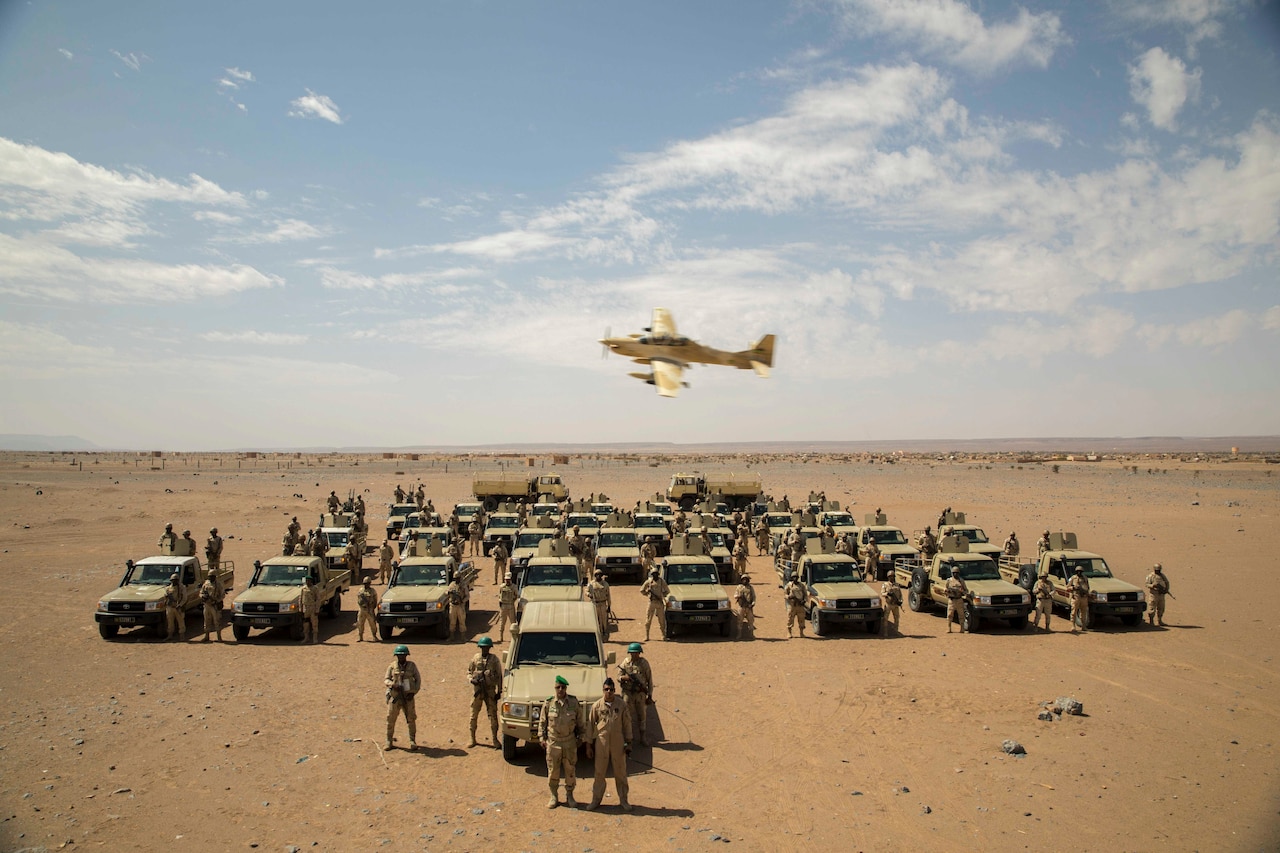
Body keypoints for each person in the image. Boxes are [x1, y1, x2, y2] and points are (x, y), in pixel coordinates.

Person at [585, 677, 632, 812]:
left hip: (618, 742)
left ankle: (624, 800)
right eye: (606, 689)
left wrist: (629, 742)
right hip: (602, 742)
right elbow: (590, 725)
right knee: (599, 772)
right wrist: (588, 745)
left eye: (611, 690)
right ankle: (596, 800)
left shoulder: (621, 705)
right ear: (603, 690)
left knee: (620, 772)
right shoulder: (597, 706)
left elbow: (627, 724)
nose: (609, 692)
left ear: (614, 690)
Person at [539, 675, 582, 809]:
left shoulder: (574, 703)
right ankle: (554, 796)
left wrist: (581, 737)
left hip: (569, 742)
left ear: (566, 688)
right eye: (558, 687)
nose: (561, 690)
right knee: (553, 770)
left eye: (563, 687)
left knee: (570, 770)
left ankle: (570, 795)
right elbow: (542, 722)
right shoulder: (549, 703)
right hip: (554, 742)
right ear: (555, 688)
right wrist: (542, 737)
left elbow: (580, 722)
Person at [467, 636, 503, 748]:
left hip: (490, 691)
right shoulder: (475, 658)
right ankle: (472, 738)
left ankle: (494, 739)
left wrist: (499, 691)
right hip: (477, 691)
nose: (485, 649)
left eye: (486, 647)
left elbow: (499, 676)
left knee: (493, 715)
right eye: (483, 647)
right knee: (473, 714)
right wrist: (471, 680)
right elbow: (469, 672)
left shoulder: (494, 659)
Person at [384, 645, 421, 751]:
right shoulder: (392, 666)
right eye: (399, 655)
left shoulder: (412, 666)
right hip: (395, 697)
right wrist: (392, 685)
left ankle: (412, 740)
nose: (401, 657)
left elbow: (418, 680)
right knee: (390, 719)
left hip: (408, 697)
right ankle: (388, 741)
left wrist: (413, 692)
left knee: (411, 719)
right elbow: (386, 679)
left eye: (403, 655)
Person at [618, 643, 654, 744]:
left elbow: (650, 681)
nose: (634, 655)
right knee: (626, 715)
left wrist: (649, 695)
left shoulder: (644, 664)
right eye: (632, 653)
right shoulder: (625, 663)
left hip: (640, 694)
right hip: (628, 693)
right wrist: (623, 678)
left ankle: (643, 737)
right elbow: (618, 676)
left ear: (639, 653)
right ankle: (628, 738)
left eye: (636, 653)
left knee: (642, 715)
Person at [639, 568, 668, 641]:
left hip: (659, 603)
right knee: (648, 620)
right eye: (653, 574)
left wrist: (662, 596)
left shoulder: (661, 581)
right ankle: (647, 636)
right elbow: (641, 590)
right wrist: (647, 594)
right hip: (651, 602)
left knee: (662, 620)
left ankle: (663, 635)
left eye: (656, 574)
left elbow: (667, 591)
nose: (655, 575)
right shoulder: (649, 582)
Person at [199, 568, 225, 642]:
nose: (210, 578)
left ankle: (219, 637)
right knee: (207, 621)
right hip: (207, 605)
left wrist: (217, 600)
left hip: (215, 605)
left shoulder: (218, 584)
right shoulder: (206, 583)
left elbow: (222, 594)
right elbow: (201, 592)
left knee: (217, 621)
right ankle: (207, 636)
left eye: (212, 576)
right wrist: (203, 596)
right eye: (209, 576)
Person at [945, 566, 968, 633]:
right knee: (949, 615)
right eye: (954, 573)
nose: (955, 574)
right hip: (951, 600)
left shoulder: (961, 581)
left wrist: (962, 591)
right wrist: (947, 591)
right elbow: (945, 588)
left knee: (961, 615)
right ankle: (949, 628)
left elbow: (966, 590)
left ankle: (962, 628)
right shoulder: (949, 581)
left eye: (957, 573)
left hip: (959, 599)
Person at [733, 572, 756, 639]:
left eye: (746, 579)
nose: (745, 581)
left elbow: (754, 597)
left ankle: (751, 635)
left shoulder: (751, 588)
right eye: (744, 579)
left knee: (751, 621)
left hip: (749, 607)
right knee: (739, 621)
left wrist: (752, 604)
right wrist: (739, 596)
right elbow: (735, 595)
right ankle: (739, 634)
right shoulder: (739, 587)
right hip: (741, 607)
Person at [586, 570, 610, 635]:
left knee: (603, 619)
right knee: (595, 618)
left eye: (600, 574)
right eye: (597, 574)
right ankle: (596, 632)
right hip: (594, 603)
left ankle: (604, 631)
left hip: (602, 603)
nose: (598, 576)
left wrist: (609, 606)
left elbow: (608, 595)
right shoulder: (591, 584)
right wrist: (589, 595)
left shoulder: (605, 584)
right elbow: (587, 591)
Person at [784, 572, 807, 638]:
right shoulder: (789, 585)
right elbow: (785, 594)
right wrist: (789, 597)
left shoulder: (801, 586)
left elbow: (805, 594)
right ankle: (789, 632)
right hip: (792, 605)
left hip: (800, 605)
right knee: (790, 619)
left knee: (801, 619)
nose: (795, 578)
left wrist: (804, 601)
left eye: (796, 577)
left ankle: (801, 633)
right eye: (793, 577)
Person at [1068, 565, 1090, 632]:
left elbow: (1088, 587)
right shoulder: (1073, 578)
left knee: (1083, 612)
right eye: (1078, 571)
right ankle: (1073, 626)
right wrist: (1073, 588)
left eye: (1080, 571)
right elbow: (1067, 587)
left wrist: (1086, 592)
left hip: (1083, 597)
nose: (1079, 573)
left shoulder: (1085, 578)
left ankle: (1083, 626)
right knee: (1074, 612)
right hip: (1076, 596)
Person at [496, 572, 518, 642]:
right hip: (503, 606)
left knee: (513, 622)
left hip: (510, 606)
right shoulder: (502, 586)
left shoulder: (514, 587)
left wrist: (512, 601)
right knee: (502, 622)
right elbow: (500, 595)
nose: (507, 581)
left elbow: (517, 595)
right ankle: (501, 637)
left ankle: (514, 637)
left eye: (508, 579)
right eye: (506, 579)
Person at [163, 572, 185, 641]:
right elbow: (165, 597)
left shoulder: (181, 587)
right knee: (170, 622)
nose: (174, 581)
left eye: (175, 580)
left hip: (178, 607)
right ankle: (170, 635)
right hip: (170, 607)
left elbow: (184, 598)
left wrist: (180, 605)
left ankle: (182, 636)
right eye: (173, 580)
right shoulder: (168, 588)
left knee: (181, 622)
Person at [446, 571, 468, 641]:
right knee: (452, 621)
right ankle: (451, 637)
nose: (457, 580)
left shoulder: (463, 585)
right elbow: (446, 592)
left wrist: (462, 600)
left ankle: (463, 637)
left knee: (462, 621)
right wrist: (450, 592)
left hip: (460, 606)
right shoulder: (452, 585)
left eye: (458, 578)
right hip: (452, 605)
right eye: (455, 578)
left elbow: (467, 596)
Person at [356, 577, 379, 642]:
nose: (366, 585)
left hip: (370, 610)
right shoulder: (361, 590)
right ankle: (360, 636)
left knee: (372, 624)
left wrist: (372, 607)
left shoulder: (372, 591)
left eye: (367, 583)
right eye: (365, 583)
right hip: (362, 609)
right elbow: (358, 599)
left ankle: (374, 636)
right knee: (360, 623)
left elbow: (375, 600)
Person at [301, 576, 321, 643]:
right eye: (306, 580)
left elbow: (318, 599)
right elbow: (300, 599)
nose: (307, 582)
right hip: (306, 608)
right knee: (305, 624)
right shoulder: (303, 588)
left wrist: (317, 609)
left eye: (309, 580)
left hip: (313, 607)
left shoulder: (315, 588)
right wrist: (301, 609)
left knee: (314, 624)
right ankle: (306, 637)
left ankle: (315, 638)